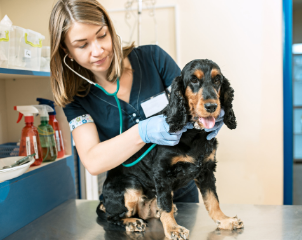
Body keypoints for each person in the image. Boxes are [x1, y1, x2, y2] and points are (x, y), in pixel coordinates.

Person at [49, 0, 223, 205]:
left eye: (102, 35)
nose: (98, 50)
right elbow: (93, 161)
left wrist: (211, 113)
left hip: (178, 194)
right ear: (66, 50)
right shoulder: (75, 98)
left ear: (111, 30)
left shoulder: (154, 59)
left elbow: (192, 103)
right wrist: (142, 132)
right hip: (128, 197)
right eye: (82, 44)